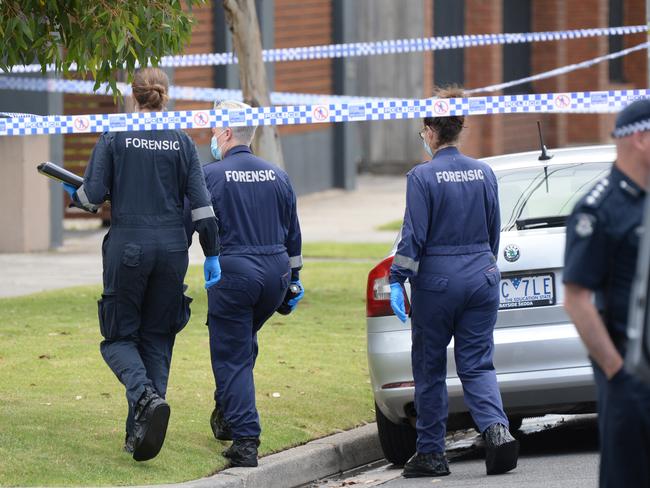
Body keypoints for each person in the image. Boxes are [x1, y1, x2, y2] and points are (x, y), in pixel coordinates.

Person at [64, 67, 221, 462]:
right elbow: (203, 210)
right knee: (157, 338)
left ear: (133, 96)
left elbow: (93, 196)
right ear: (166, 96)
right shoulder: (183, 141)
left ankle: (146, 399)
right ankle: (143, 427)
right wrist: (213, 253)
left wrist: (76, 192)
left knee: (118, 339)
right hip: (171, 252)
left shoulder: (115, 133)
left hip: (129, 247)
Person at [389, 87, 518, 478]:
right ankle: (496, 430)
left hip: (438, 282)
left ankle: (430, 453)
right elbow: (494, 230)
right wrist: (482, 266)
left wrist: (398, 278)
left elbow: (414, 236)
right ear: (459, 128)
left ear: (430, 131)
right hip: (481, 275)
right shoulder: (484, 172)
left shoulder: (422, 177)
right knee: (477, 363)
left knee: (429, 367)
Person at [184, 100, 304, 468]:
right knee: (243, 343)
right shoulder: (277, 175)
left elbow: (189, 225)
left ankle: (245, 439)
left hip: (235, 272)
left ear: (226, 132)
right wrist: (294, 282)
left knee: (231, 355)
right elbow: (293, 235)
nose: (210, 139)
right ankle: (228, 412)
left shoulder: (212, 175)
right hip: (275, 274)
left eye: (212, 132)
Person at [563, 99, 650, 488]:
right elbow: (576, 298)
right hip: (631, 382)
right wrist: (617, 371)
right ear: (641, 139)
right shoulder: (599, 209)